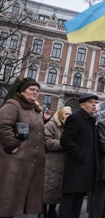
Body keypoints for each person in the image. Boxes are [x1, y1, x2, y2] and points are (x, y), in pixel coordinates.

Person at [0, 78, 45, 217]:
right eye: (32, 89)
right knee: (7, 200)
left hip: (28, 163)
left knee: (14, 202)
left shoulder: (34, 111)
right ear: (22, 90)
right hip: (13, 162)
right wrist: (13, 146)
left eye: (37, 90)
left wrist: (44, 148)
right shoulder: (13, 105)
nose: (35, 92)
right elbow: (3, 125)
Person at [59, 94, 100, 218]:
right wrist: (81, 155)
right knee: (69, 200)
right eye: (90, 102)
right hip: (75, 167)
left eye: (95, 102)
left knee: (78, 200)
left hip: (85, 168)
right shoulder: (75, 118)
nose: (94, 104)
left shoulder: (91, 120)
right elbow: (65, 140)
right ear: (82, 105)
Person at [43, 106, 72, 218]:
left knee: (57, 189)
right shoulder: (50, 125)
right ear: (60, 114)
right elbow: (47, 141)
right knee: (48, 187)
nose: (68, 116)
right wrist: (65, 144)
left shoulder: (68, 127)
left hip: (63, 162)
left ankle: (52, 210)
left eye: (70, 114)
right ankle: (43, 211)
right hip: (51, 161)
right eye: (66, 114)